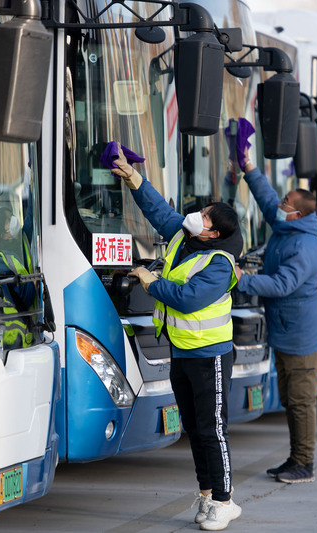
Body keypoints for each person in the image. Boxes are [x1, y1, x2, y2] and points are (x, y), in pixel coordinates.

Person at [109, 142, 243, 531]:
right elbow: (159, 211)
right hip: (183, 352)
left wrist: (150, 283)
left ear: (213, 233)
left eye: (204, 217)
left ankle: (225, 500)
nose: (196, 217)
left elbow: (187, 299)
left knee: (213, 429)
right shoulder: (187, 239)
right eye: (201, 211)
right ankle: (206, 494)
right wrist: (135, 179)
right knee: (194, 427)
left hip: (211, 357)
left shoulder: (219, 264)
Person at [234, 153, 317, 484]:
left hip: (301, 335)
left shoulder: (304, 245)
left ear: (297, 212)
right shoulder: (290, 225)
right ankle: (296, 457)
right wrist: (248, 167)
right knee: (290, 398)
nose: (280, 204)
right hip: (287, 332)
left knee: (301, 402)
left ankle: (305, 463)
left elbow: (282, 284)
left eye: (286, 201)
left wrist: (240, 279)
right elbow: (267, 197)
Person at [0, 206, 35, 348]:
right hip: (16, 341)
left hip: (31, 333)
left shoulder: (22, 238)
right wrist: (34, 282)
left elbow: (32, 212)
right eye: (9, 220)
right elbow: (23, 297)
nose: (14, 221)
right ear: (4, 235)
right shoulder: (1, 261)